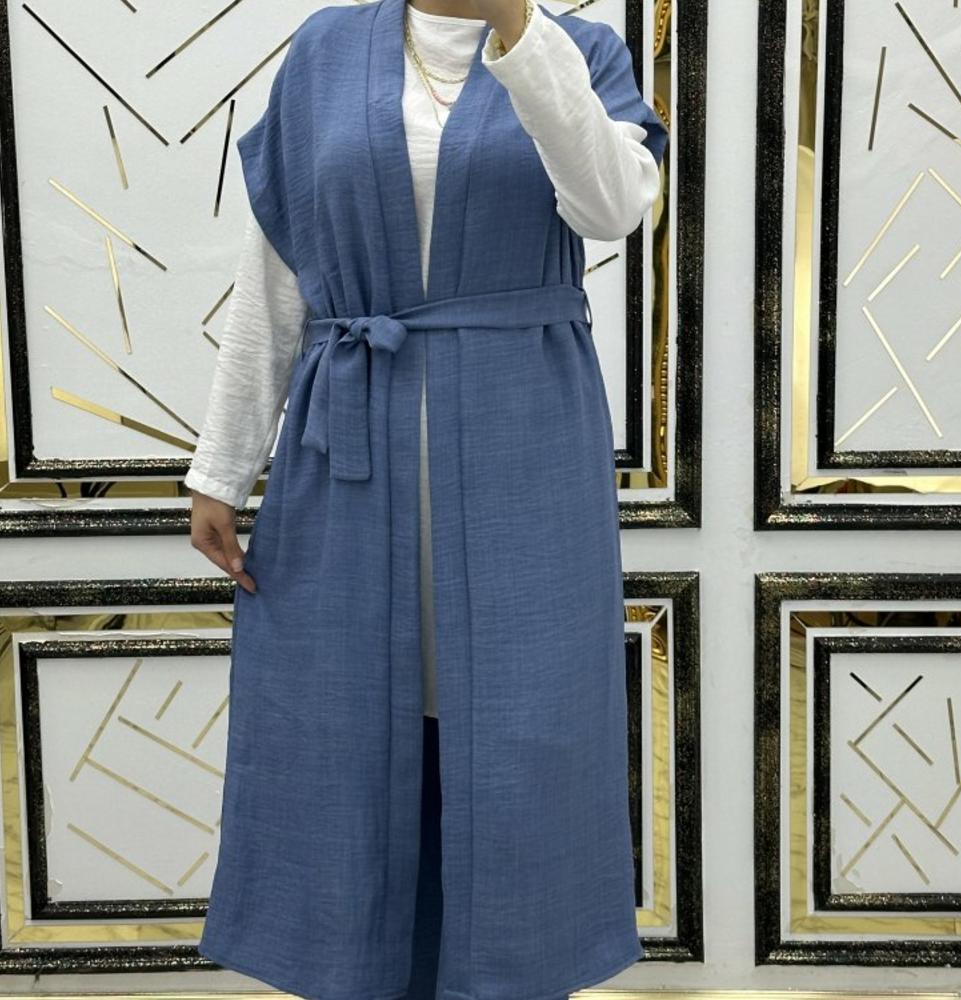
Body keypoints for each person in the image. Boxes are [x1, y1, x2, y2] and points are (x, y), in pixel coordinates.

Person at [187, 0, 668, 997]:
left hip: (525, 450)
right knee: (344, 727)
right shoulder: (326, 49)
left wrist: (516, 29)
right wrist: (223, 468)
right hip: (347, 454)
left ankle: (510, 973)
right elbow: (277, 268)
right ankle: (358, 969)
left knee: (524, 730)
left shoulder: (579, 50)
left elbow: (612, 207)